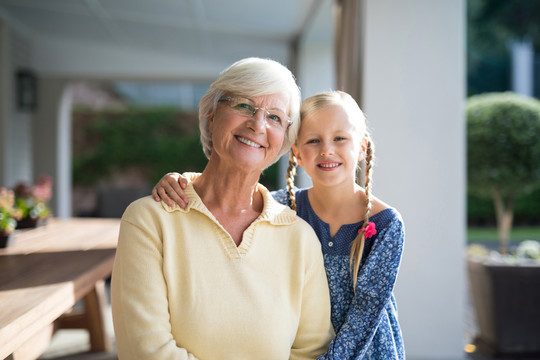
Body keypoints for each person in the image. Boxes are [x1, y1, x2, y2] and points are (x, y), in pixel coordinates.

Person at [153, 90, 406, 359]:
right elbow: (226, 198)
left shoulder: (386, 224)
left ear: (362, 148)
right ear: (296, 152)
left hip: (366, 351)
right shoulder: (280, 207)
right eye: (313, 140)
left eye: (340, 139)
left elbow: (365, 315)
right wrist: (181, 182)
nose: (327, 150)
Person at [111, 57, 334, 360]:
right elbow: (146, 351)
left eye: (275, 118)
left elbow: (311, 351)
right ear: (212, 116)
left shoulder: (301, 239)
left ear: (283, 140)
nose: (257, 124)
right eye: (243, 105)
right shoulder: (150, 221)